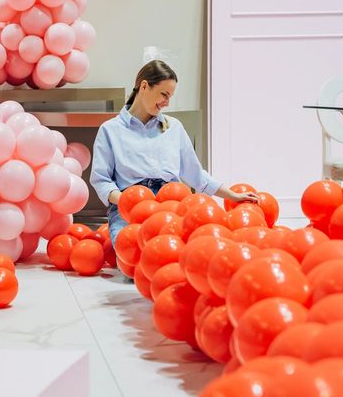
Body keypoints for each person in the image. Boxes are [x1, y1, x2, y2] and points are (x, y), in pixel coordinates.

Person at [90, 59, 259, 254]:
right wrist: (128, 202)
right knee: (136, 259)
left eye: (170, 97)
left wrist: (232, 195)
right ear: (144, 86)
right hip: (130, 205)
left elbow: (196, 175)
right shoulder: (110, 130)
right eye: (164, 94)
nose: (167, 103)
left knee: (192, 254)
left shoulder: (174, 127)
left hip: (172, 201)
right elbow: (101, 180)